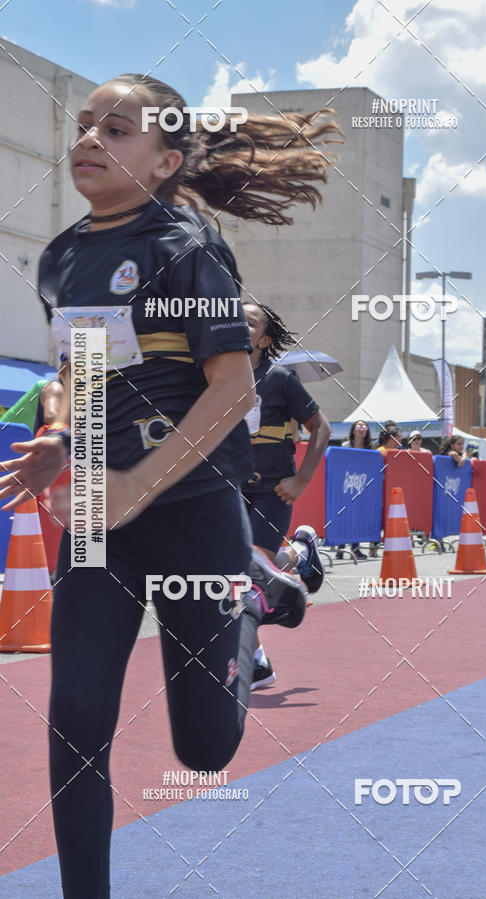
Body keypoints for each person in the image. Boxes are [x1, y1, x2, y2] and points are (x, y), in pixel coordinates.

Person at [0, 74, 340, 898]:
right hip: (95, 515)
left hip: (192, 513)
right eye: (85, 125)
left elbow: (232, 388)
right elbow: (76, 370)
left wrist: (137, 485)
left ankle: (256, 594)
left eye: (117, 130)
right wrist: (58, 436)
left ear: (165, 161)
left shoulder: (185, 249)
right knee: (77, 716)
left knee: (205, 749)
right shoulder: (63, 257)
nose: (89, 139)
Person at [241, 301, 331, 689]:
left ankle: (257, 662)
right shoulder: (215, 376)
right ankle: (301, 551)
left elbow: (321, 427)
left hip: (271, 489)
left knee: (245, 574)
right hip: (231, 488)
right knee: (230, 570)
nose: (238, 325)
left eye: (249, 323)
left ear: (265, 339)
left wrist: (301, 480)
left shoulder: (278, 378)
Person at [337, 420, 372, 559]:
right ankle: (340, 549)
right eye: (359, 426)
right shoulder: (345, 446)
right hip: (346, 485)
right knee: (344, 518)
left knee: (357, 519)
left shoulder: (370, 448)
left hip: (361, 486)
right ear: (353, 430)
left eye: (364, 426)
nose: (361, 428)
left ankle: (355, 549)